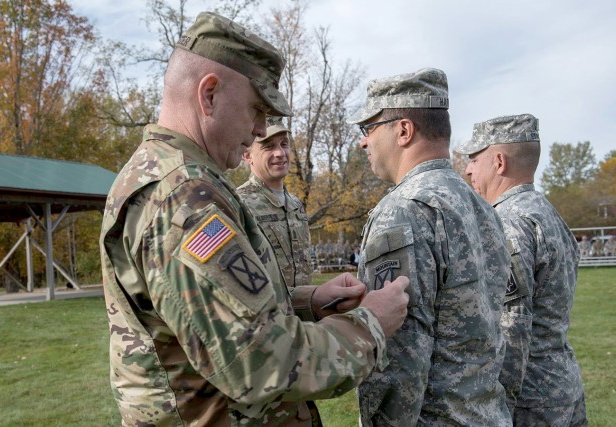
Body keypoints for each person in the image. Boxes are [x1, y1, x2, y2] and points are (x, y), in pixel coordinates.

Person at [99, 12, 411, 426]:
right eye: (256, 108)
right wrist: (371, 323)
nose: (261, 127)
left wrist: (309, 301)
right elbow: (262, 364)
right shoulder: (183, 198)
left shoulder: (181, 178)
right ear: (208, 94)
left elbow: (213, 316)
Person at [348, 68, 511, 426]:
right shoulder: (480, 206)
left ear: (403, 130)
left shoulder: (404, 210)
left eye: (369, 128)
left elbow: (395, 355)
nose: (364, 142)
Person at [456, 113, 588, 426]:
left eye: (474, 159)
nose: (468, 169)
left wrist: (497, 408)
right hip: (560, 383)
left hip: (530, 400)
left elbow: (511, 328)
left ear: (499, 162)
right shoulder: (546, 212)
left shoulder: (508, 222)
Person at [237, 116, 313, 287]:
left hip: (306, 310)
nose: (280, 153)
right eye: (269, 146)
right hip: (269, 312)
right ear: (247, 155)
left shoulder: (296, 205)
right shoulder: (239, 204)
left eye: (284, 144)